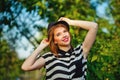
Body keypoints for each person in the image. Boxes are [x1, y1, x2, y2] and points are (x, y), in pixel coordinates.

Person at [21, 17, 98, 80]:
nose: (64, 35)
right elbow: (26, 67)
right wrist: (40, 47)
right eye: (58, 34)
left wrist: (70, 22)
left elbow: (94, 26)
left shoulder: (80, 52)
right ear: (54, 41)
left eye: (65, 31)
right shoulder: (49, 57)